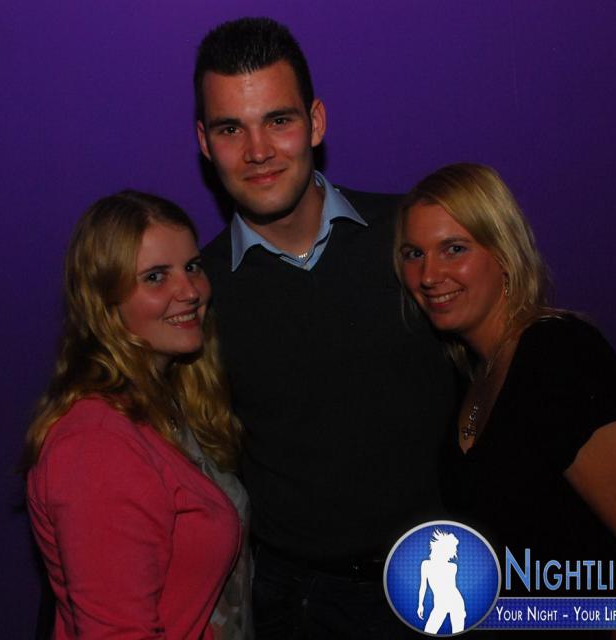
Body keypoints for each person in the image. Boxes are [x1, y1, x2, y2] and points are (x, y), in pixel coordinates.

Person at [194, 17, 457, 639]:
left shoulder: (410, 240)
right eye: (231, 129)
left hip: (446, 574)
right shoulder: (196, 296)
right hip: (297, 605)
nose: (258, 151)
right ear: (204, 142)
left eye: (278, 120)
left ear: (315, 122)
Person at [395, 163, 616, 636]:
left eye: (454, 249)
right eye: (413, 253)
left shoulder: (558, 353)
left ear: (504, 252)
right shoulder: (472, 374)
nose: (429, 275)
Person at [24, 191, 251, 639]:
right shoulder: (97, 446)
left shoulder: (169, 402)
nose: (189, 291)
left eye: (192, 267)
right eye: (155, 277)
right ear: (105, 301)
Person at [417, 530, 465, 634]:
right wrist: (420, 604)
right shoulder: (426, 564)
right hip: (439, 604)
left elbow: (452, 588)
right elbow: (423, 586)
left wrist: (461, 611)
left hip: (455, 602)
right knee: (429, 631)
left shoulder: (452, 567)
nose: (450, 554)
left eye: (451, 551)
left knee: (457, 632)